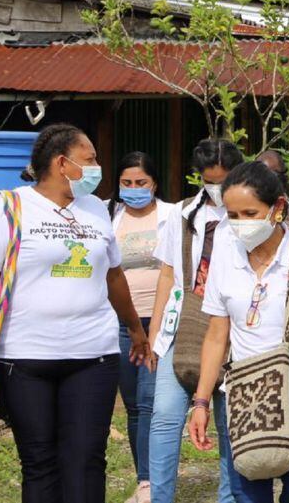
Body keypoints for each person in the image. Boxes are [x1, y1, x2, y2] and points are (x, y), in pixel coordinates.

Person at [0, 123, 150, 502]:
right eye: (90, 159)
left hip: (92, 357)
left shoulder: (96, 209)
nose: (97, 167)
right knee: (40, 462)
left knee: (86, 461)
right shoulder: (8, 207)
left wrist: (134, 327)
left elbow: (113, 276)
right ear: (62, 163)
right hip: (24, 359)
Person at [188, 162, 289, 503]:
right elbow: (217, 334)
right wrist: (201, 401)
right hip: (246, 396)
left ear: (277, 208)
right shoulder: (224, 253)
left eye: (250, 212)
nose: (241, 224)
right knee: (248, 494)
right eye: (232, 215)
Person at [148, 138, 244, 503]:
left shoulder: (250, 214)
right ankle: (159, 496)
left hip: (233, 328)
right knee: (165, 418)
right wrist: (156, 331)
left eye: (222, 181)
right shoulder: (184, 213)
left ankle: (229, 498)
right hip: (185, 322)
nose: (216, 189)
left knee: (228, 423)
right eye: (209, 181)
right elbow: (168, 274)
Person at [108, 152, 175, 503]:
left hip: (159, 320)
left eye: (141, 183)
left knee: (151, 402)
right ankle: (143, 478)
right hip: (121, 321)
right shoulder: (109, 215)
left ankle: (152, 481)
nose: (133, 190)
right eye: (127, 183)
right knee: (133, 404)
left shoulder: (171, 216)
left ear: (155, 185)